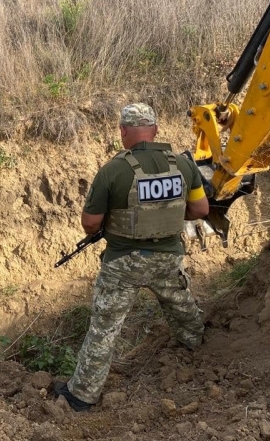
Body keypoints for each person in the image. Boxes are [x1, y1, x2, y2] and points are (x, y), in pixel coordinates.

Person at [54, 103, 208, 412]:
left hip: (123, 264)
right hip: (167, 258)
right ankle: (200, 353)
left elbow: (90, 222)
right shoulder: (183, 165)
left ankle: (82, 396)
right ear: (156, 130)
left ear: (123, 132)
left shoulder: (113, 170)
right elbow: (200, 211)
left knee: (105, 328)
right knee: (182, 307)